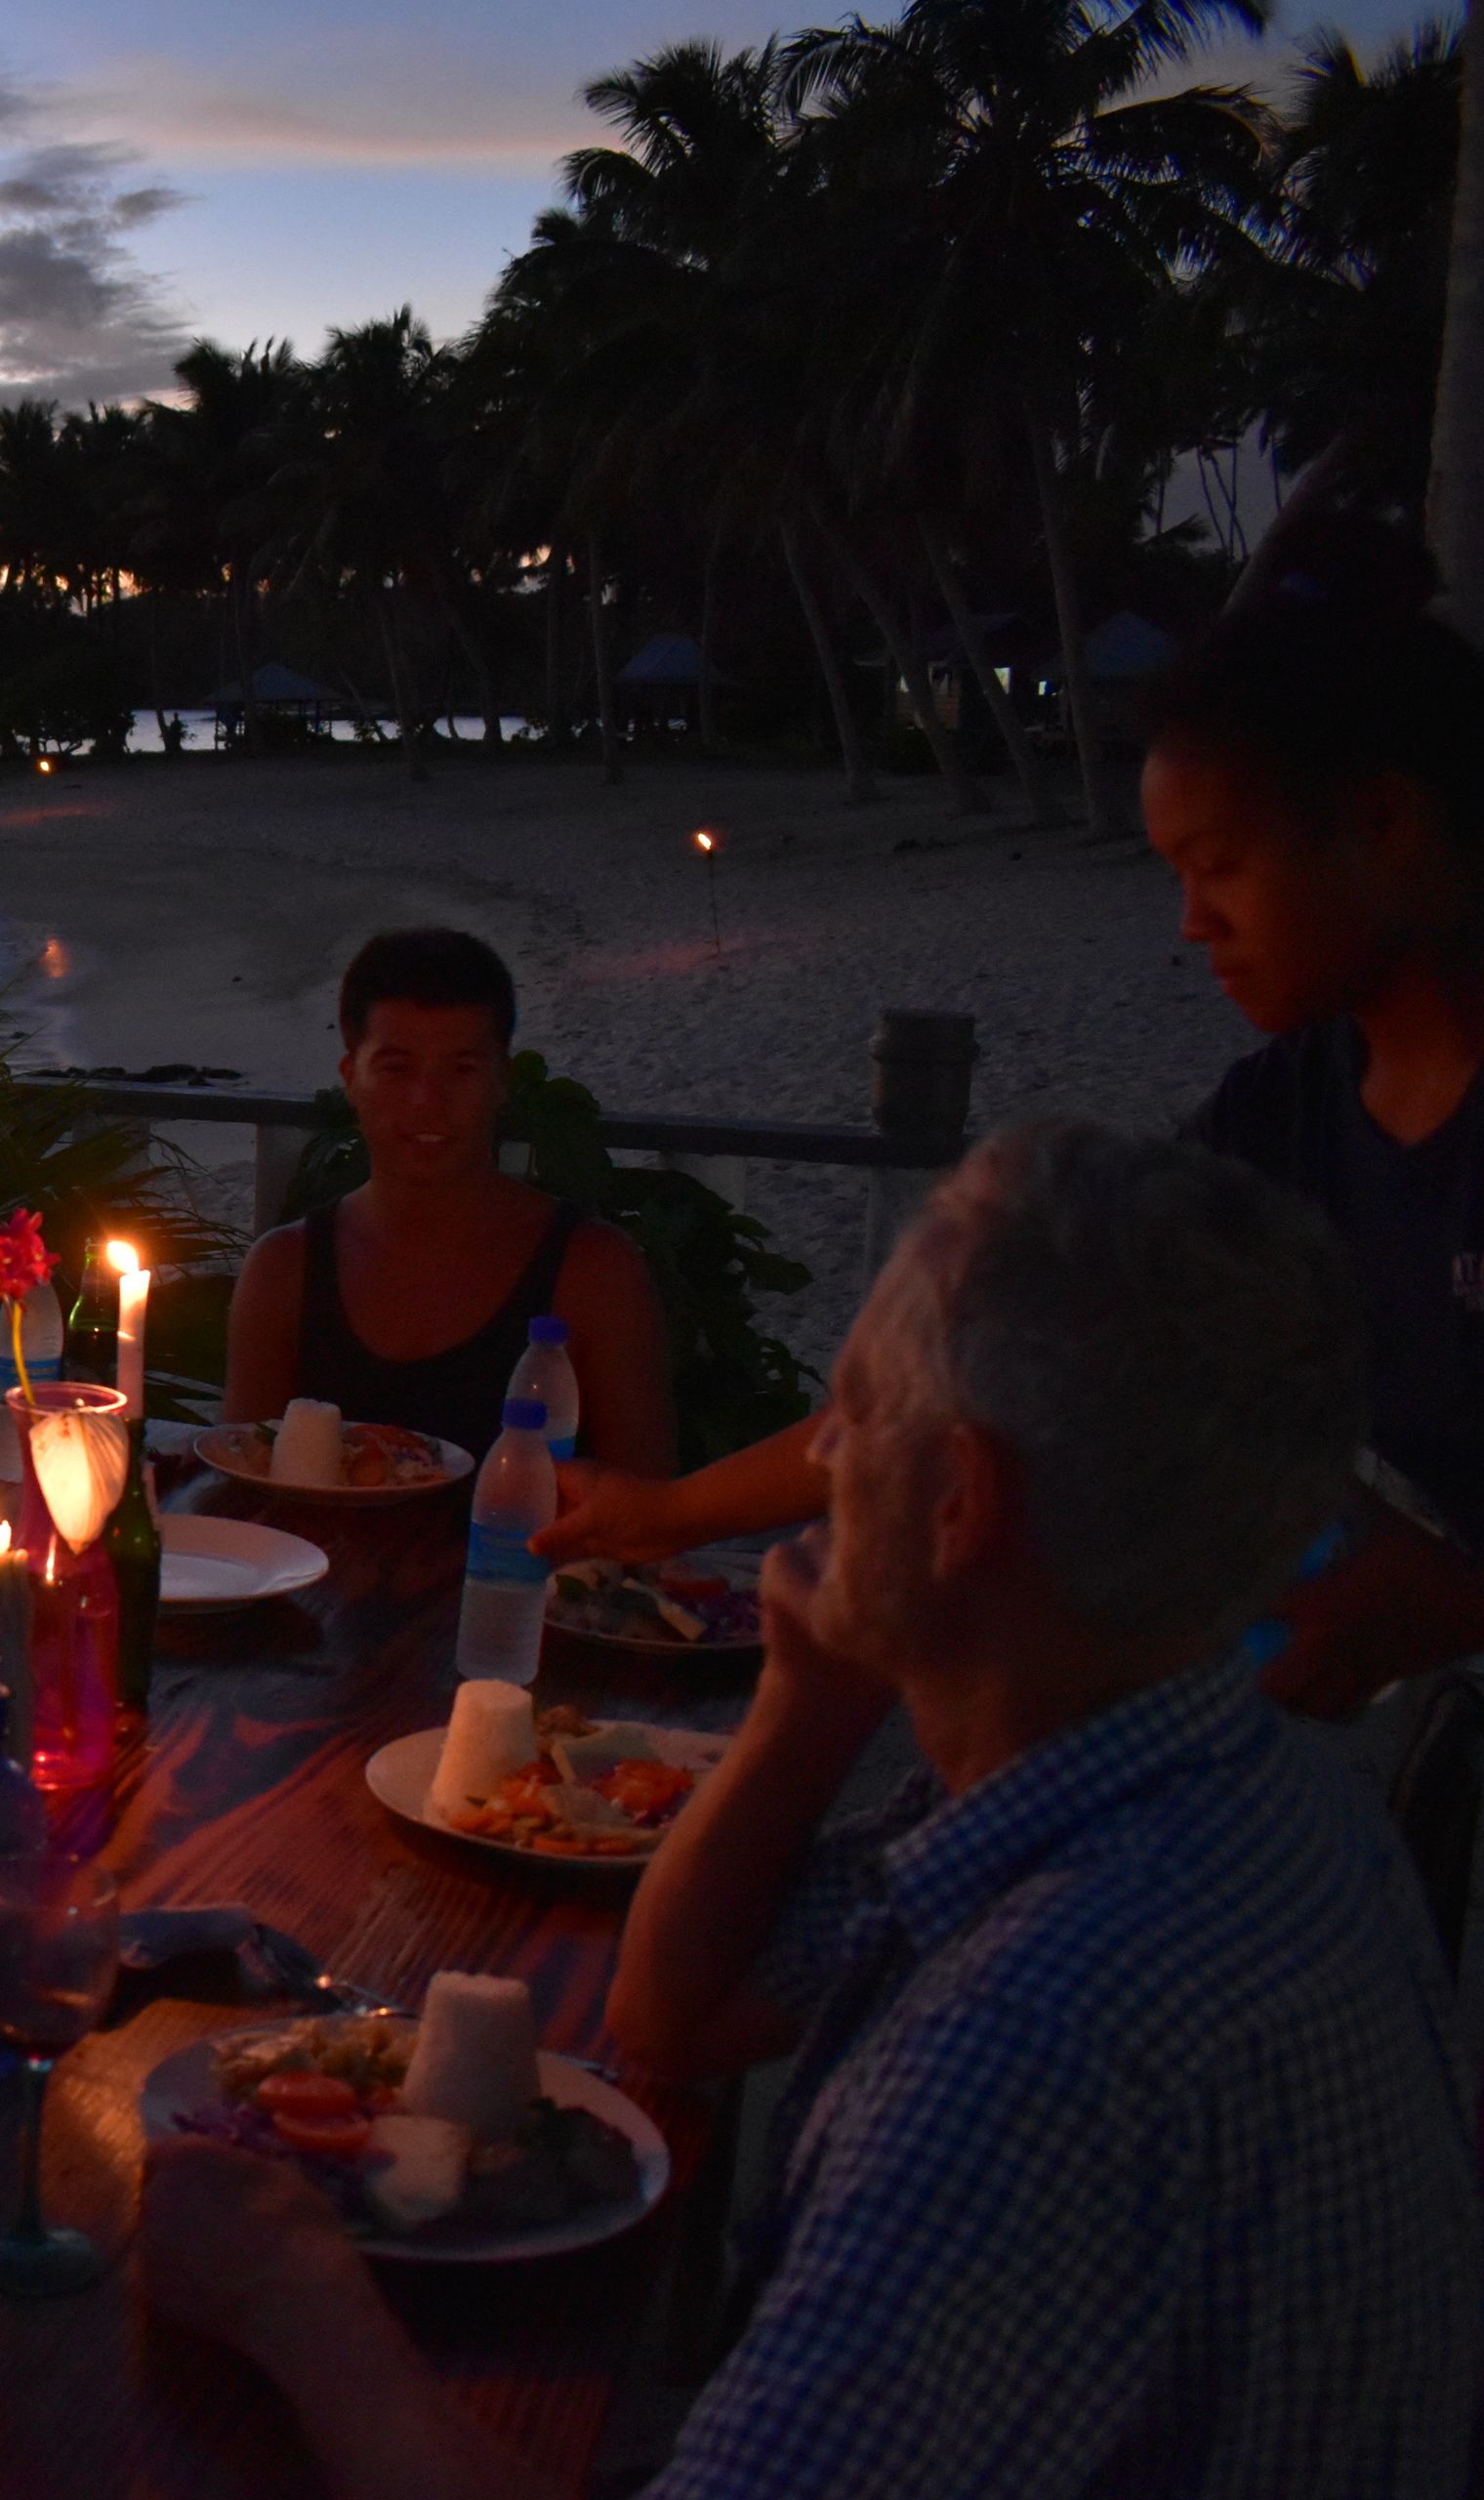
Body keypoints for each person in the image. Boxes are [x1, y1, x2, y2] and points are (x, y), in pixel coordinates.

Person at [144, 1124, 1479, 2496]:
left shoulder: (1042, 2039)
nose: (828, 1458)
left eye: (857, 1409)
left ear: (960, 1502)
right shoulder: (1225, 1782)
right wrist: (812, 1685)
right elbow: (678, 2018)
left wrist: (296, 2296)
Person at [540, 550, 1484, 1717]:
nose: (1194, 924)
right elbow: (992, 1353)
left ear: (1383, 822)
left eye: (1223, 868)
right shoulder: (1291, 1109)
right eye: (1176, 876)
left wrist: (1453, 1602)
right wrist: (668, 1512)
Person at [222, 928, 674, 1472]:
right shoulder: (284, 1271)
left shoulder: (593, 1273)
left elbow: (645, 1498)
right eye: (397, 1068)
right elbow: (239, 1480)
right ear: (351, 1078)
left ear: (502, 1080)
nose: (427, 1101)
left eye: (461, 1069)